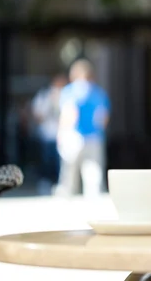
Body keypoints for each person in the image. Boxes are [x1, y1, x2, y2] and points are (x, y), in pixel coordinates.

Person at [56, 58, 111, 198]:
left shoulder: (70, 91)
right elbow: (103, 118)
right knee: (93, 176)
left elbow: (69, 114)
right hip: (94, 137)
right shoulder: (99, 93)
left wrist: (61, 134)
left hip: (74, 136)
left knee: (69, 176)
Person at [31, 73, 68, 195]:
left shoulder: (68, 95)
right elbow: (37, 116)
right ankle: (45, 183)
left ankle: (61, 184)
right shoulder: (44, 96)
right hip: (47, 135)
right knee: (46, 160)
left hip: (63, 136)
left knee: (61, 163)